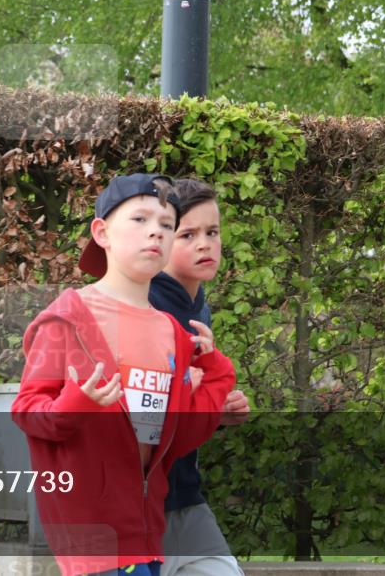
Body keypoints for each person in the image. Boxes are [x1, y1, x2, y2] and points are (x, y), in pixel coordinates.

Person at [11, 173, 236, 576]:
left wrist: (216, 373)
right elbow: (27, 411)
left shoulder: (173, 332)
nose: (156, 232)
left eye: (167, 225)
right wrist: (77, 402)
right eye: (140, 220)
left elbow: (179, 437)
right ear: (102, 232)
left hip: (147, 531)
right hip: (91, 537)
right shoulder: (67, 320)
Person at [149, 178, 250, 576]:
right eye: (187, 234)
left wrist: (218, 411)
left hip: (185, 498)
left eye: (212, 232)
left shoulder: (196, 304)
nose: (205, 244)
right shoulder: (146, 305)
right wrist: (209, 405)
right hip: (140, 509)